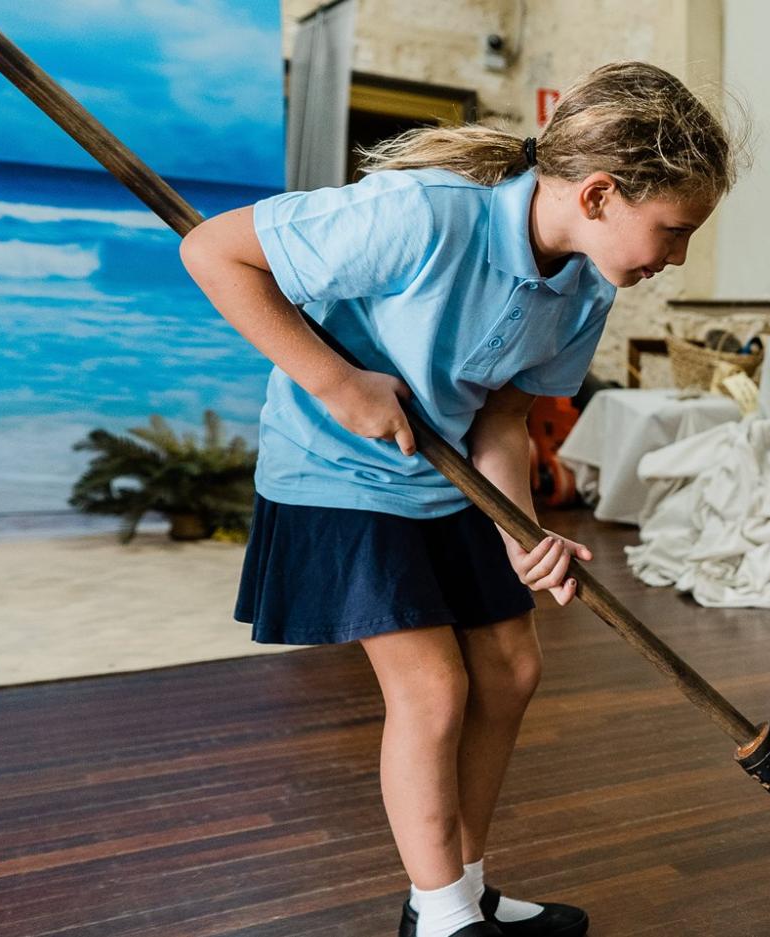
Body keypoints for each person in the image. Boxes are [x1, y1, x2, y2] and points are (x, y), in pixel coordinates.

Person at [180, 62, 734, 937]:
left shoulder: (586, 286)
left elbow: (506, 416)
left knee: (512, 671)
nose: (677, 257)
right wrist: (335, 382)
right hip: (340, 474)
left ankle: (462, 889)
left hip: (446, 481)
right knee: (433, 691)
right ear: (598, 195)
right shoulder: (422, 214)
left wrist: (520, 532)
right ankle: (440, 919)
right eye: (673, 231)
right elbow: (212, 249)